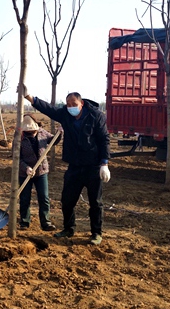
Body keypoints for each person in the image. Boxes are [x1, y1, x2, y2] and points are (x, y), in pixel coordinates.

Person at [23, 88, 110, 245]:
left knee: (95, 202)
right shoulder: (65, 114)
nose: (71, 107)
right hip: (74, 166)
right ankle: (69, 229)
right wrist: (30, 97)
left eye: (74, 104)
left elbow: (104, 139)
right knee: (67, 200)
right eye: (68, 104)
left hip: (93, 166)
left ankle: (96, 233)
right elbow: (48, 109)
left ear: (81, 103)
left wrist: (104, 163)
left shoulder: (96, 116)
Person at [17, 114, 56, 231]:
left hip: (41, 171)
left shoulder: (42, 132)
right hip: (25, 173)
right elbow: (16, 158)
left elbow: (54, 140)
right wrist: (26, 168)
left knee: (44, 197)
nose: (31, 132)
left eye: (32, 130)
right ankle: (24, 222)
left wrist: (61, 132)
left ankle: (46, 222)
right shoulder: (19, 138)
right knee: (24, 198)